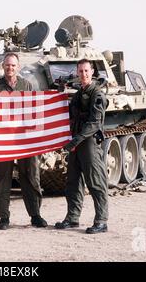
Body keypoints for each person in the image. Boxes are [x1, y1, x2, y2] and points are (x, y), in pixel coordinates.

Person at [0, 52, 48, 230]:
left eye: (13, 65)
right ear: (3, 67)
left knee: (31, 176)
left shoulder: (26, 85)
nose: (10, 68)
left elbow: (33, 111)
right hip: (3, 140)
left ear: (18, 67)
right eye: (7, 65)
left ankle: (35, 215)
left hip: (24, 139)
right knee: (1, 179)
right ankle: (4, 217)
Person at [55, 58, 109, 234]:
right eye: (80, 71)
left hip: (89, 142)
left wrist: (74, 141)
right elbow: (69, 114)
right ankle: (72, 217)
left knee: (95, 182)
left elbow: (94, 123)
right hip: (77, 142)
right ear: (77, 73)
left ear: (92, 72)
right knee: (73, 182)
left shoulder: (97, 94)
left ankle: (101, 220)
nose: (83, 74)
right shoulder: (79, 93)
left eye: (86, 71)